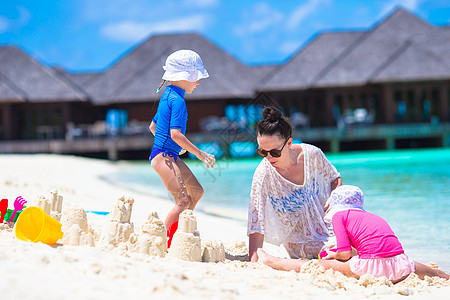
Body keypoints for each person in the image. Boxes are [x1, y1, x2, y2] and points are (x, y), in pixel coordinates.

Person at [257, 185, 450, 283]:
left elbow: (345, 254)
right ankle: (439, 273)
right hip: (401, 264)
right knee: (439, 274)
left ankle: (272, 261)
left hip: (372, 268)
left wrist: (333, 255)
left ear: (334, 205)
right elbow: (378, 248)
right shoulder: (374, 217)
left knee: (316, 264)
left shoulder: (340, 216)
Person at [248, 107, 342, 262]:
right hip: (301, 243)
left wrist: (334, 198)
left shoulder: (313, 154)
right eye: (262, 152)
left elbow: (335, 178)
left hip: (331, 228)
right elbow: (256, 219)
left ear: (289, 142)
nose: (269, 158)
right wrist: (254, 259)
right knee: (346, 251)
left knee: (363, 240)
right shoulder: (263, 173)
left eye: (275, 152)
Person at [149, 50, 216, 246]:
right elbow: (176, 134)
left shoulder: (168, 95)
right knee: (183, 200)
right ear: (182, 78)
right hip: (163, 157)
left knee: (196, 192)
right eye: (195, 78)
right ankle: (165, 243)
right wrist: (200, 153)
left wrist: (173, 147)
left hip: (167, 154)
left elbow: (153, 127)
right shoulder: (177, 101)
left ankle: (179, 231)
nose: (197, 82)